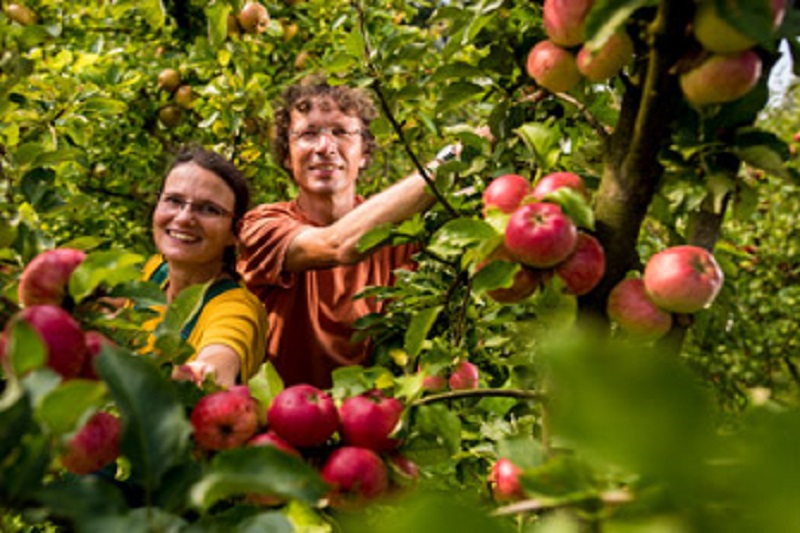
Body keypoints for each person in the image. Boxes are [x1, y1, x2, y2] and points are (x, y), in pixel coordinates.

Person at [237, 79, 462, 388]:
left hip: (369, 420)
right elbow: (336, 244)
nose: (325, 147)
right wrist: (449, 161)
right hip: (277, 421)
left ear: (365, 153)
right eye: (308, 133)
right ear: (287, 156)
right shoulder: (261, 226)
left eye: (341, 132)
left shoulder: (402, 235)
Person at [142, 147, 268, 388]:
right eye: (174, 201)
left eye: (209, 209)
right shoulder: (157, 271)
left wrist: (204, 372)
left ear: (235, 232)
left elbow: (217, 366)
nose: (183, 218)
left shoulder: (236, 309)